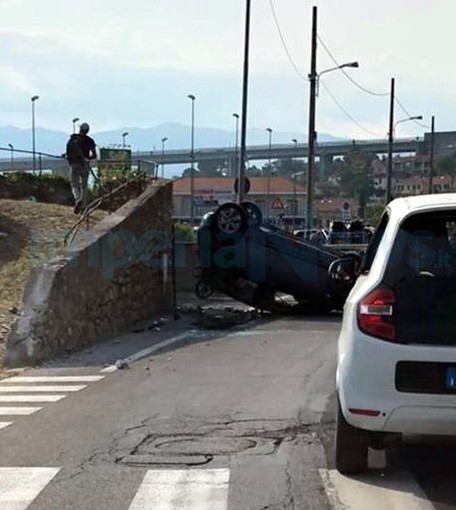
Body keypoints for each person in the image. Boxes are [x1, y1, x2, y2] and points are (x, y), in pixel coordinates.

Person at [66, 122, 97, 214]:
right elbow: (94, 155)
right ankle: (83, 206)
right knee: (84, 186)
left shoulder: (73, 139)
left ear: (80, 129)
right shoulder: (90, 141)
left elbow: (68, 153)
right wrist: (88, 158)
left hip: (74, 165)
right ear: (87, 131)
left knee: (74, 185)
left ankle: (78, 199)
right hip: (85, 165)